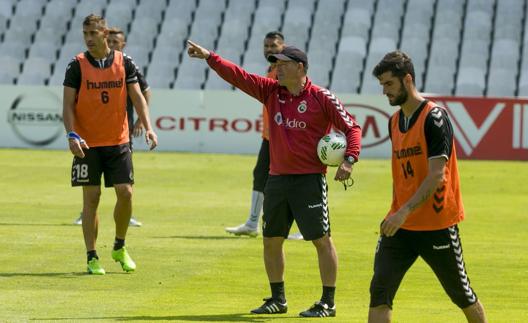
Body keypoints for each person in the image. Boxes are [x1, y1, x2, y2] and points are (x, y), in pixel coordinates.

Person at [187, 40, 361, 317]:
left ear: (300, 67)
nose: (276, 68)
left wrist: (349, 159)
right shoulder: (270, 92)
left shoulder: (321, 97)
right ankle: (278, 300)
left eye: (283, 64)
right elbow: (239, 76)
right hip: (277, 180)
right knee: (271, 239)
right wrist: (210, 57)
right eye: (275, 63)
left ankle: (328, 302)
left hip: (309, 181)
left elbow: (352, 128)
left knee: (321, 240)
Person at [368, 51, 487, 323]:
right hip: (398, 226)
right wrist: (397, 213)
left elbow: (437, 176)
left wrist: (404, 211)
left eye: (389, 84)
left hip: (436, 225)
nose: (384, 91)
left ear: (407, 79)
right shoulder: (394, 121)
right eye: (382, 85)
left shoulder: (435, 117)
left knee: (462, 295)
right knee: (379, 292)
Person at [62, 14, 158, 275]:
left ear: (105, 34)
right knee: (91, 198)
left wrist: (148, 127)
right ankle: (92, 256)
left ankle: (119, 245)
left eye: (93, 33)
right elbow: (67, 105)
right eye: (86, 34)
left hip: (119, 140)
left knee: (125, 193)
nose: (89, 38)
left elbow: (137, 96)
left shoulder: (124, 62)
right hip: (87, 143)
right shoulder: (76, 65)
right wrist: (71, 135)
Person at [224, 31, 302, 240]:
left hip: (288, 136)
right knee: (260, 175)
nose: (269, 49)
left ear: (283, 46)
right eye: (266, 46)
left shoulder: (287, 71)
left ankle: (305, 225)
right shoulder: (271, 70)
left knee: (296, 179)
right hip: (270, 136)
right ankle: (252, 223)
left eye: (274, 46)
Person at [73, 27, 150, 227]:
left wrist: (141, 121)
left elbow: (145, 92)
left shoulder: (126, 63)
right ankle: (86, 213)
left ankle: (126, 216)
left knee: (124, 185)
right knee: (92, 189)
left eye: (118, 42)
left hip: (122, 131)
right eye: (112, 41)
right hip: (94, 133)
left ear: (123, 44)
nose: (114, 45)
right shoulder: (87, 64)